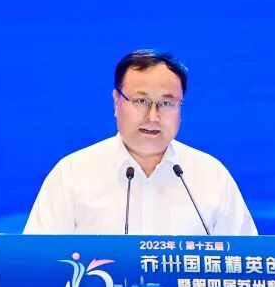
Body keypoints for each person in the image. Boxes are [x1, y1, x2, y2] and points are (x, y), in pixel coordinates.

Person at [23, 49, 257, 236]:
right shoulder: (73, 174)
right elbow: (35, 265)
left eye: (166, 103)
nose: (153, 117)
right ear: (117, 102)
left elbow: (247, 265)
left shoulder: (211, 176)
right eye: (141, 101)